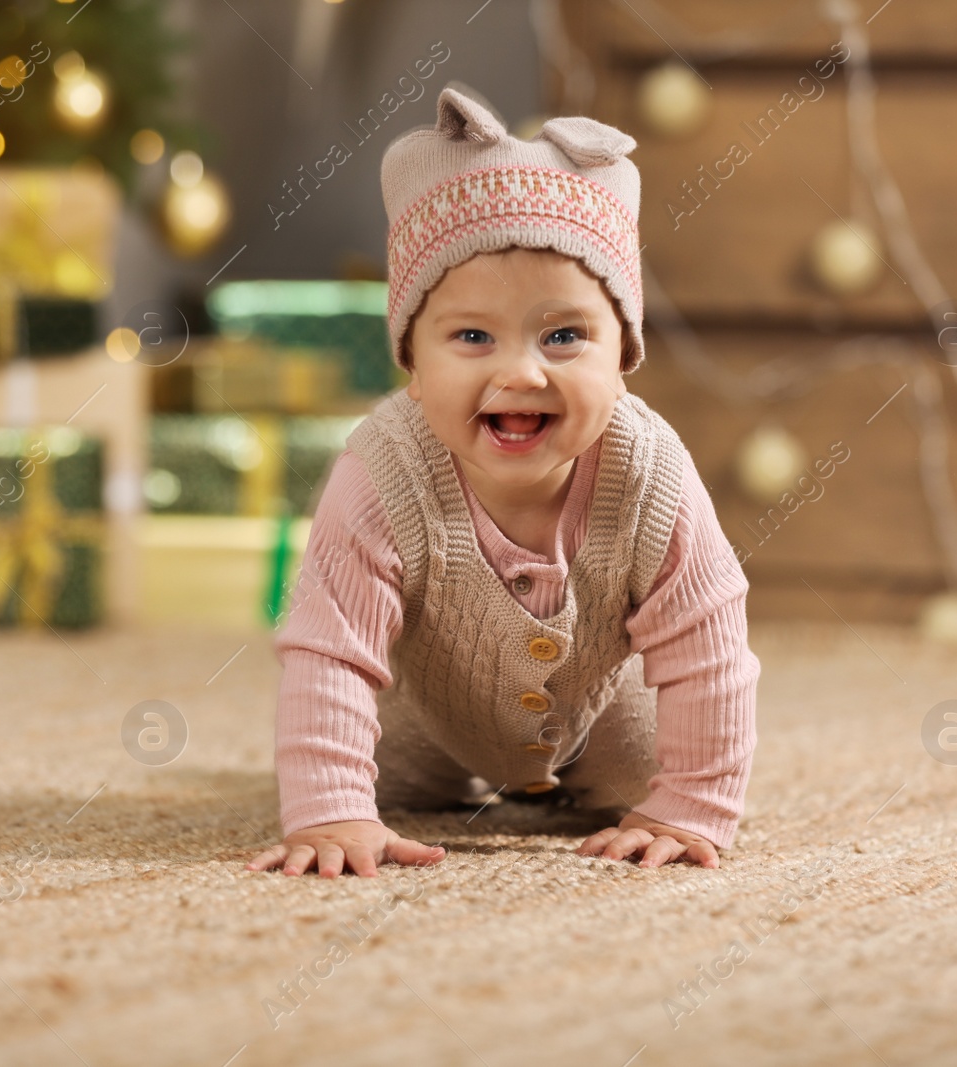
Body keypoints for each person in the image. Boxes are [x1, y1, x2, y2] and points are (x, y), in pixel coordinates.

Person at [246, 82, 760, 878]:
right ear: (413, 364)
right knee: (396, 781)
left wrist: (690, 803)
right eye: (473, 336)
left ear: (622, 358)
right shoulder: (383, 470)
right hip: (423, 715)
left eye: (564, 335)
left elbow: (710, 646)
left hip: (606, 719)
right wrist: (333, 809)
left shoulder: (650, 471)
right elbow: (331, 650)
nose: (520, 372)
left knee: (639, 776)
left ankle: (635, 781)